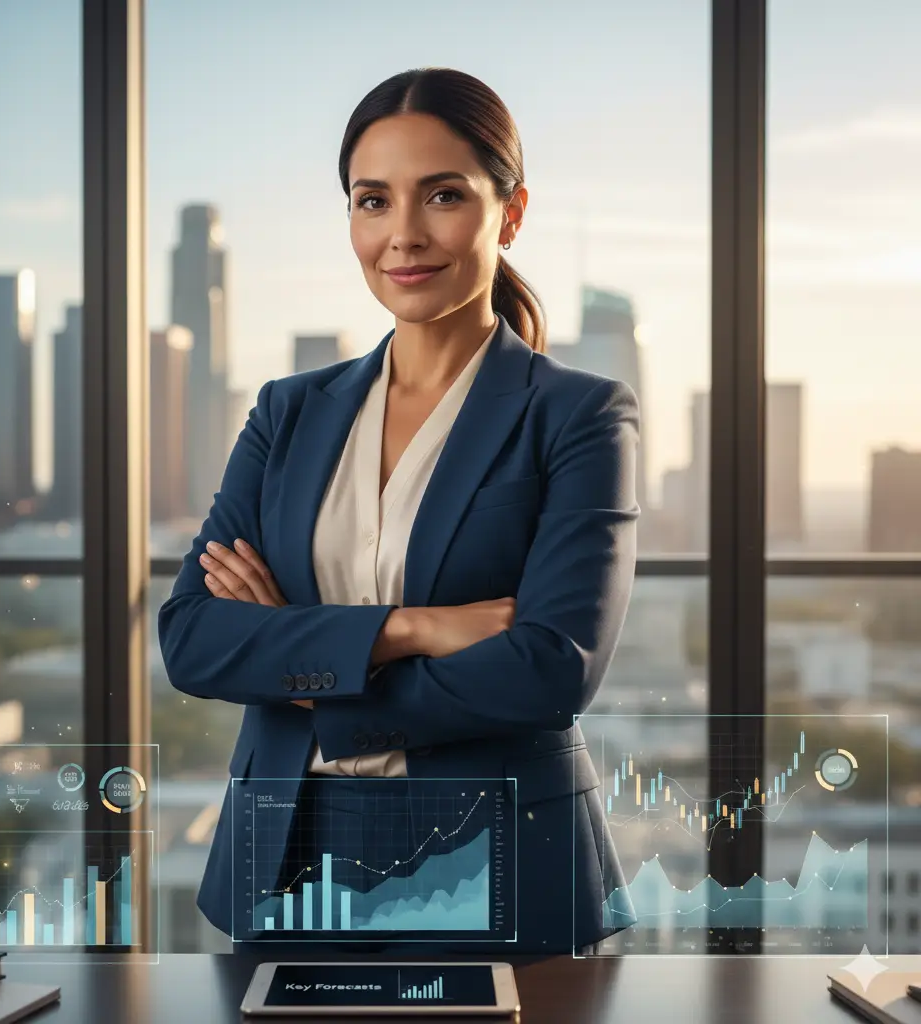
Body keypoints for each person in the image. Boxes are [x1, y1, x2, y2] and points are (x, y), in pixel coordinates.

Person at [158, 66, 639, 956]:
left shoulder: (578, 414)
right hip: (289, 854)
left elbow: (549, 669)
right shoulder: (287, 412)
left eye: (443, 195)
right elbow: (192, 638)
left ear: (513, 211)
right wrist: (411, 628)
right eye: (372, 200)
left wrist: (305, 661)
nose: (404, 235)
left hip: (498, 857)